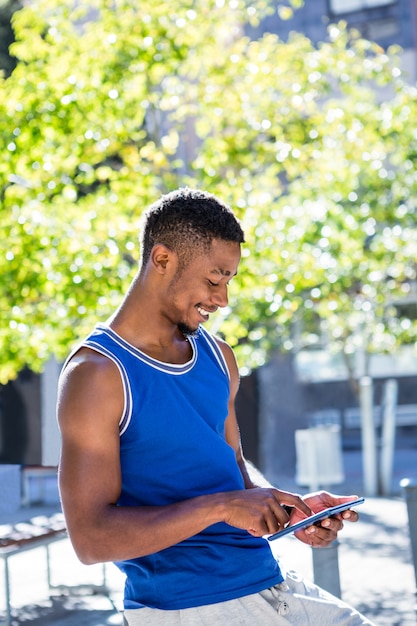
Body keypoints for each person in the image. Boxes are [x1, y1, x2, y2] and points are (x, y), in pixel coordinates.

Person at [57, 187, 374, 625]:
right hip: (189, 606)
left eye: (228, 281)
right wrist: (221, 506)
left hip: (269, 581)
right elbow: (90, 540)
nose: (222, 299)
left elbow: (235, 470)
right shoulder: (97, 375)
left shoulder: (218, 356)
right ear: (162, 259)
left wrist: (286, 509)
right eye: (214, 279)